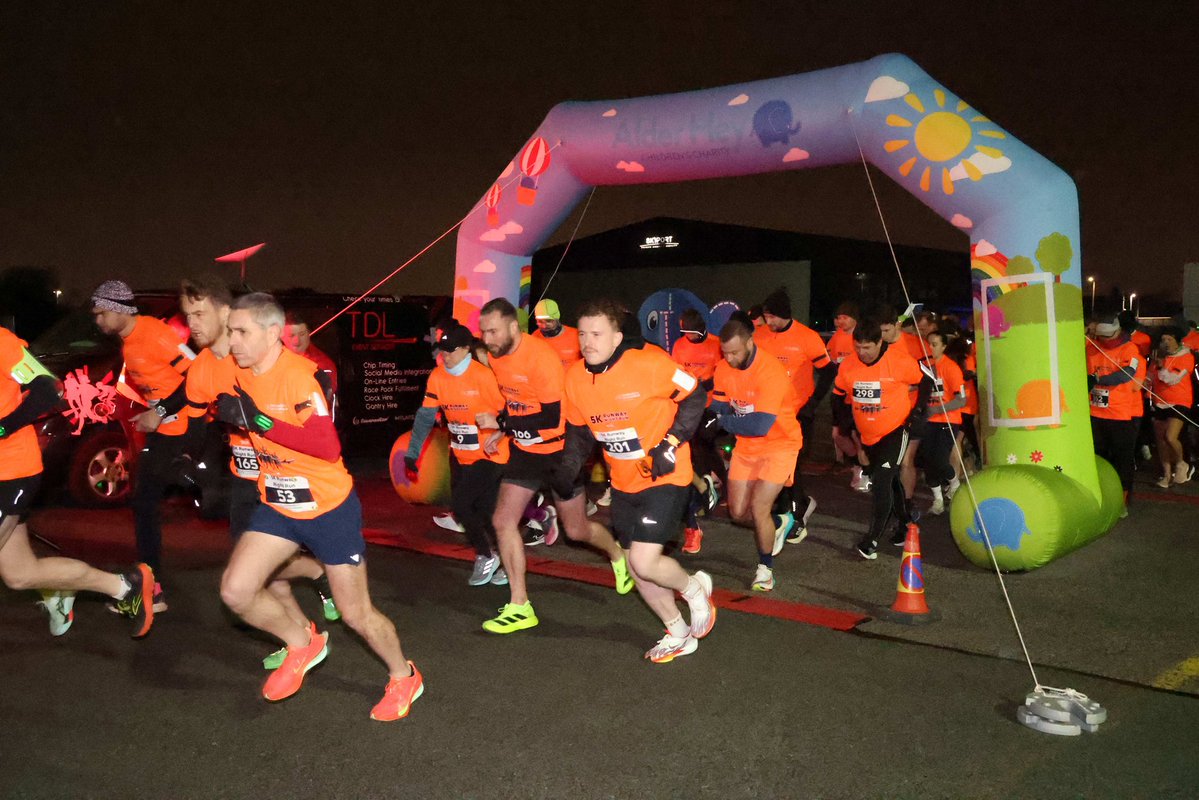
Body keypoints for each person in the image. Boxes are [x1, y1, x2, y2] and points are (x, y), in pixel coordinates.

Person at [216, 293, 422, 721]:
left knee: (356, 614)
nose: (232, 340)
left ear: (273, 333)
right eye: (230, 331)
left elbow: (327, 446)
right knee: (236, 591)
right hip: (278, 503)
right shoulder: (237, 371)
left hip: (329, 508)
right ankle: (301, 641)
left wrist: (261, 421)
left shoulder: (299, 376)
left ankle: (404, 676)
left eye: (241, 332)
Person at [180, 279, 339, 671]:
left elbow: (308, 421)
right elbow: (197, 423)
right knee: (251, 570)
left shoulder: (256, 360)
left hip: (284, 477)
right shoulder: (201, 369)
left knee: (260, 568)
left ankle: (315, 582)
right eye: (187, 316)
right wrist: (188, 459)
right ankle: (301, 635)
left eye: (199, 314)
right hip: (243, 479)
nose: (192, 325)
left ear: (224, 312)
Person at [557, 300, 716, 662]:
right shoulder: (575, 378)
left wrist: (670, 443)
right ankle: (676, 631)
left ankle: (693, 590)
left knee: (644, 561)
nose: (587, 342)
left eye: (596, 334)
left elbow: (695, 396)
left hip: (665, 475)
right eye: (582, 334)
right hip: (623, 483)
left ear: (616, 336)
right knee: (635, 566)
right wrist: (568, 468)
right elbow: (580, 432)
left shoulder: (649, 363)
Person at [475, 298, 634, 634]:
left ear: (513, 327)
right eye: (483, 331)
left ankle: (617, 555)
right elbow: (515, 400)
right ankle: (520, 605)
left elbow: (549, 416)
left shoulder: (540, 357)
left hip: (560, 451)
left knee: (576, 530)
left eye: (493, 331)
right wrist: (505, 426)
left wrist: (503, 424)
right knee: (503, 520)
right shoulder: (494, 356)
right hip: (525, 452)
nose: (487, 338)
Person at [0, 324, 156, 638]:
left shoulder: (2, 343)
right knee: (20, 574)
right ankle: (125, 587)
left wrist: (3, 428)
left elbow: (48, 389)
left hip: (11, 472)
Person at [92, 279, 195, 611]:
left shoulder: (156, 333)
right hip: (164, 427)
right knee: (145, 502)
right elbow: (152, 383)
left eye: (102, 313)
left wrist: (161, 411)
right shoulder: (128, 342)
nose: (98, 321)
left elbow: (196, 375)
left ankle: (152, 590)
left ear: (119, 308)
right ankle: (152, 586)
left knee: (145, 501)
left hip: (185, 425)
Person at [406, 323, 509, 586]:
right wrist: (413, 452)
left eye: (452, 351)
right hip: (461, 454)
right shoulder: (438, 377)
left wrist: (499, 427)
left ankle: (486, 555)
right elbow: (425, 416)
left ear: (466, 350)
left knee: (462, 505)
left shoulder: (484, 377)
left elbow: (509, 413)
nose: (446, 356)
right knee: (485, 512)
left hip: (491, 454)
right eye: (443, 351)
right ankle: (506, 560)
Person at [711, 318, 803, 591]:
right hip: (746, 447)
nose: (729, 358)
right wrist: (711, 417)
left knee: (758, 507)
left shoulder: (771, 371)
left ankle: (765, 569)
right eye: (725, 352)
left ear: (750, 343)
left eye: (735, 352)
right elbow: (719, 406)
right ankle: (780, 522)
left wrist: (721, 422)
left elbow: (759, 425)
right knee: (738, 513)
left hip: (780, 445)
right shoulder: (723, 369)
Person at [832, 318, 924, 559]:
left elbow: (924, 381)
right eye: (858, 347)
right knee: (890, 483)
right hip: (867, 435)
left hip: (895, 430)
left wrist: (916, 413)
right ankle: (905, 523)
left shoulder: (900, 362)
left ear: (879, 342)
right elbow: (838, 395)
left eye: (867, 348)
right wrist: (845, 427)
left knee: (882, 482)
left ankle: (871, 540)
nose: (862, 353)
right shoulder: (849, 365)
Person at [754, 287, 832, 540]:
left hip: (797, 414)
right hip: (768, 414)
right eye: (766, 317)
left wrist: (812, 404)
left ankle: (797, 516)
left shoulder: (807, 337)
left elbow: (829, 372)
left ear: (784, 315)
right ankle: (789, 506)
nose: (769, 322)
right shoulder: (760, 336)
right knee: (771, 465)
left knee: (792, 467)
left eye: (773, 317)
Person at [670, 308, 723, 553]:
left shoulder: (715, 344)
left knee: (705, 442)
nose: (689, 338)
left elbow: (723, 372)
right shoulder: (679, 346)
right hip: (689, 402)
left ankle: (715, 480)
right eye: (686, 333)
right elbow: (676, 373)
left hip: (712, 403)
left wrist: (706, 383)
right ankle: (706, 485)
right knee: (693, 448)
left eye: (693, 333)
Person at [1087, 311, 1145, 513]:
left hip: (1120, 415)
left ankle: (1123, 500)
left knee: (1122, 458)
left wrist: (1097, 380)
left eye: (1110, 337)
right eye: (1102, 337)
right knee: (1099, 457)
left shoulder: (1130, 348)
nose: (1107, 342)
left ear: (1118, 331)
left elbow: (1127, 374)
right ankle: (1101, 496)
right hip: (1095, 413)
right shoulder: (1091, 347)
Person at [917, 329, 967, 515]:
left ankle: (954, 482)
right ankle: (937, 499)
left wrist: (937, 409)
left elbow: (962, 399)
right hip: (927, 421)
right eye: (928, 344)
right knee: (928, 460)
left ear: (944, 347)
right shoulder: (924, 367)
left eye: (935, 344)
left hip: (947, 420)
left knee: (939, 459)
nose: (930, 348)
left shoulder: (951, 367)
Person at [827, 301, 870, 491]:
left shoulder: (862, 336)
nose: (841, 321)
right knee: (838, 435)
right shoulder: (836, 337)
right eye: (839, 317)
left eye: (845, 317)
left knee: (860, 436)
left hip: (860, 395)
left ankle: (864, 471)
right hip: (841, 394)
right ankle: (857, 464)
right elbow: (829, 358)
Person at [1147, 328, 1195, 487]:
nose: (1165, 343)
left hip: (1179, 401)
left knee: (1170, 436)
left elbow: (1172, 379)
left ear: (1177, 341)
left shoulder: (1186, 357)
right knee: (1161, 441)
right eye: (1163, 340)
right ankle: (1167, 475)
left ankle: (1182, 463)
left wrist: (1161, 367)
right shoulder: (1158, 357)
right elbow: (1150, 378)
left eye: (1169, 339)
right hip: (1159, 401)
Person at [531, 298, 581, 370]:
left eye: (549, 321)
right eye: (540, 321)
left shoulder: (577, 336)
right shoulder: (534, 338)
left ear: (557, 317)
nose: (544, 326)